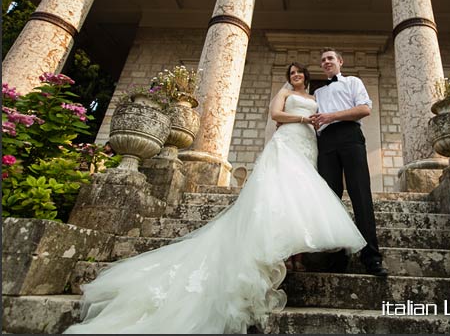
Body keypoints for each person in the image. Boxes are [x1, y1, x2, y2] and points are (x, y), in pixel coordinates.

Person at [64, 62, 366, 334]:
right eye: (291, 74)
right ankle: (281, 253)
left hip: (309, 145)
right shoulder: (285, 93)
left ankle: (297, 255)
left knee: (299, 196)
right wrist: (301, 121)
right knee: (278, 192)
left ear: (306, 76)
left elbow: (327, 117)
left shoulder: (318, 97)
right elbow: (275, 115)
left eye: (299, 73)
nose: (295, 76)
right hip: (288, 140)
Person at [310, 48, 388, 277]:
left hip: (350, 136)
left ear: (340, 62)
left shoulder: (353, 82)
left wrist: (332, 116)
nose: (326, 62)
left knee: (360, 195)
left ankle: (372, 258)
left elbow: (365, 109)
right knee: (330, 200)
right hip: (325, 143)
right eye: (322, 59)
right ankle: (336, 257)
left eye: (330, 58)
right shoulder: (317, 93)